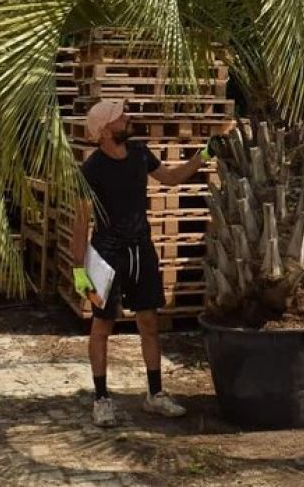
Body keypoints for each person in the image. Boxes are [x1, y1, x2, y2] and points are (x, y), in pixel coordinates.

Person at [71, 98, 229, 427]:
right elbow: (81, 223)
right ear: (104, 131)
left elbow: (170, 178)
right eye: (119, 116)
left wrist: (205, 154)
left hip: (141, 252)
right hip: (105, 258)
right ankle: (101, 400)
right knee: (101, 327)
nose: (127, 118)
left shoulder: (140, 153)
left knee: (149, 323)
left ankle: (155, 395)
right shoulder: (91, 170)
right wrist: (79, 272)